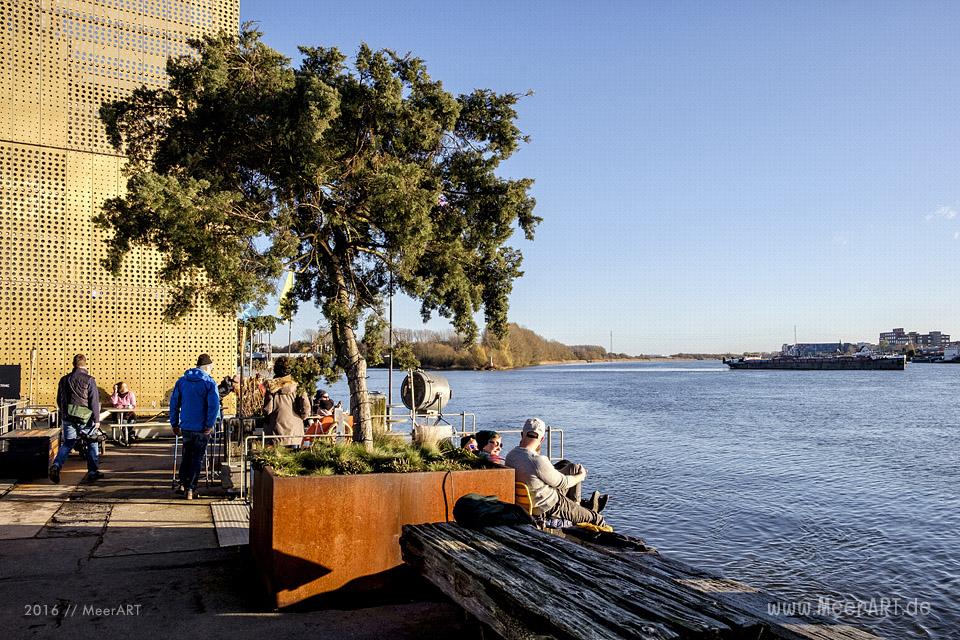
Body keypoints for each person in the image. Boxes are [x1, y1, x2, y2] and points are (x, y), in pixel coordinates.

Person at [504, 418, 607, 527]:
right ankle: (585, 521)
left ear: (522, 434)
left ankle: (577, 506)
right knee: (596, 518)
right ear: (542, 438)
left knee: (573, 468)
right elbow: (563, 482)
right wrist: (581, 476)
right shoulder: (537, 460)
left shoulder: (510, 456)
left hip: (534, 497)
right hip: (549, 505)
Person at [170, 354, 220, 500]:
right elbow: (214, 406)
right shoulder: (209, 383)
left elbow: (174, 404)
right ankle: (191, 488)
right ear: (207, 367)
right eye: (211, 367)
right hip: (201, 427)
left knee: (186, 456)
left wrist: (174, 423)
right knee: (197, 458)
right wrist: (209, 425)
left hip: (186, 426)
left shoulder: (182, 381)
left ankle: (183, 483)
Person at [49, 354, 103, 484]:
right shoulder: (90, 380)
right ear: (85, 364)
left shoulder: (63, 379)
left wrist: (64, 413)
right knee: (92, 443)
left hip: (68, 417)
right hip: (86, 418)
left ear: (73, 364)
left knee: (68, 443)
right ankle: (92, 472)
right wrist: (96, 419)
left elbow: (59, 399)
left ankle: (56, 465)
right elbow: (94, 401)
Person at [262, 357, 310, 447]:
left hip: (276, 430)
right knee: (295, 459)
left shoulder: (272, 388)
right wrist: (303, 417)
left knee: (277, 459)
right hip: (296, 431)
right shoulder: (297, 386)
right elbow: (306, 407)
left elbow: (268, 410)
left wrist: (267, 418)